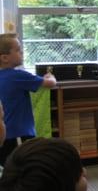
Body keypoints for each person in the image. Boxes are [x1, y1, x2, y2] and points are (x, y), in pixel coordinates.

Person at [0, 33, 56, 166]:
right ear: (5, 57)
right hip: (18, 134)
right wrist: (51, 76)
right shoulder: (17, 75)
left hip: (3, 136)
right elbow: (50, 83)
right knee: (23, 170)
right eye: (18, 50)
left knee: (8, 171)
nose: (22, 52)